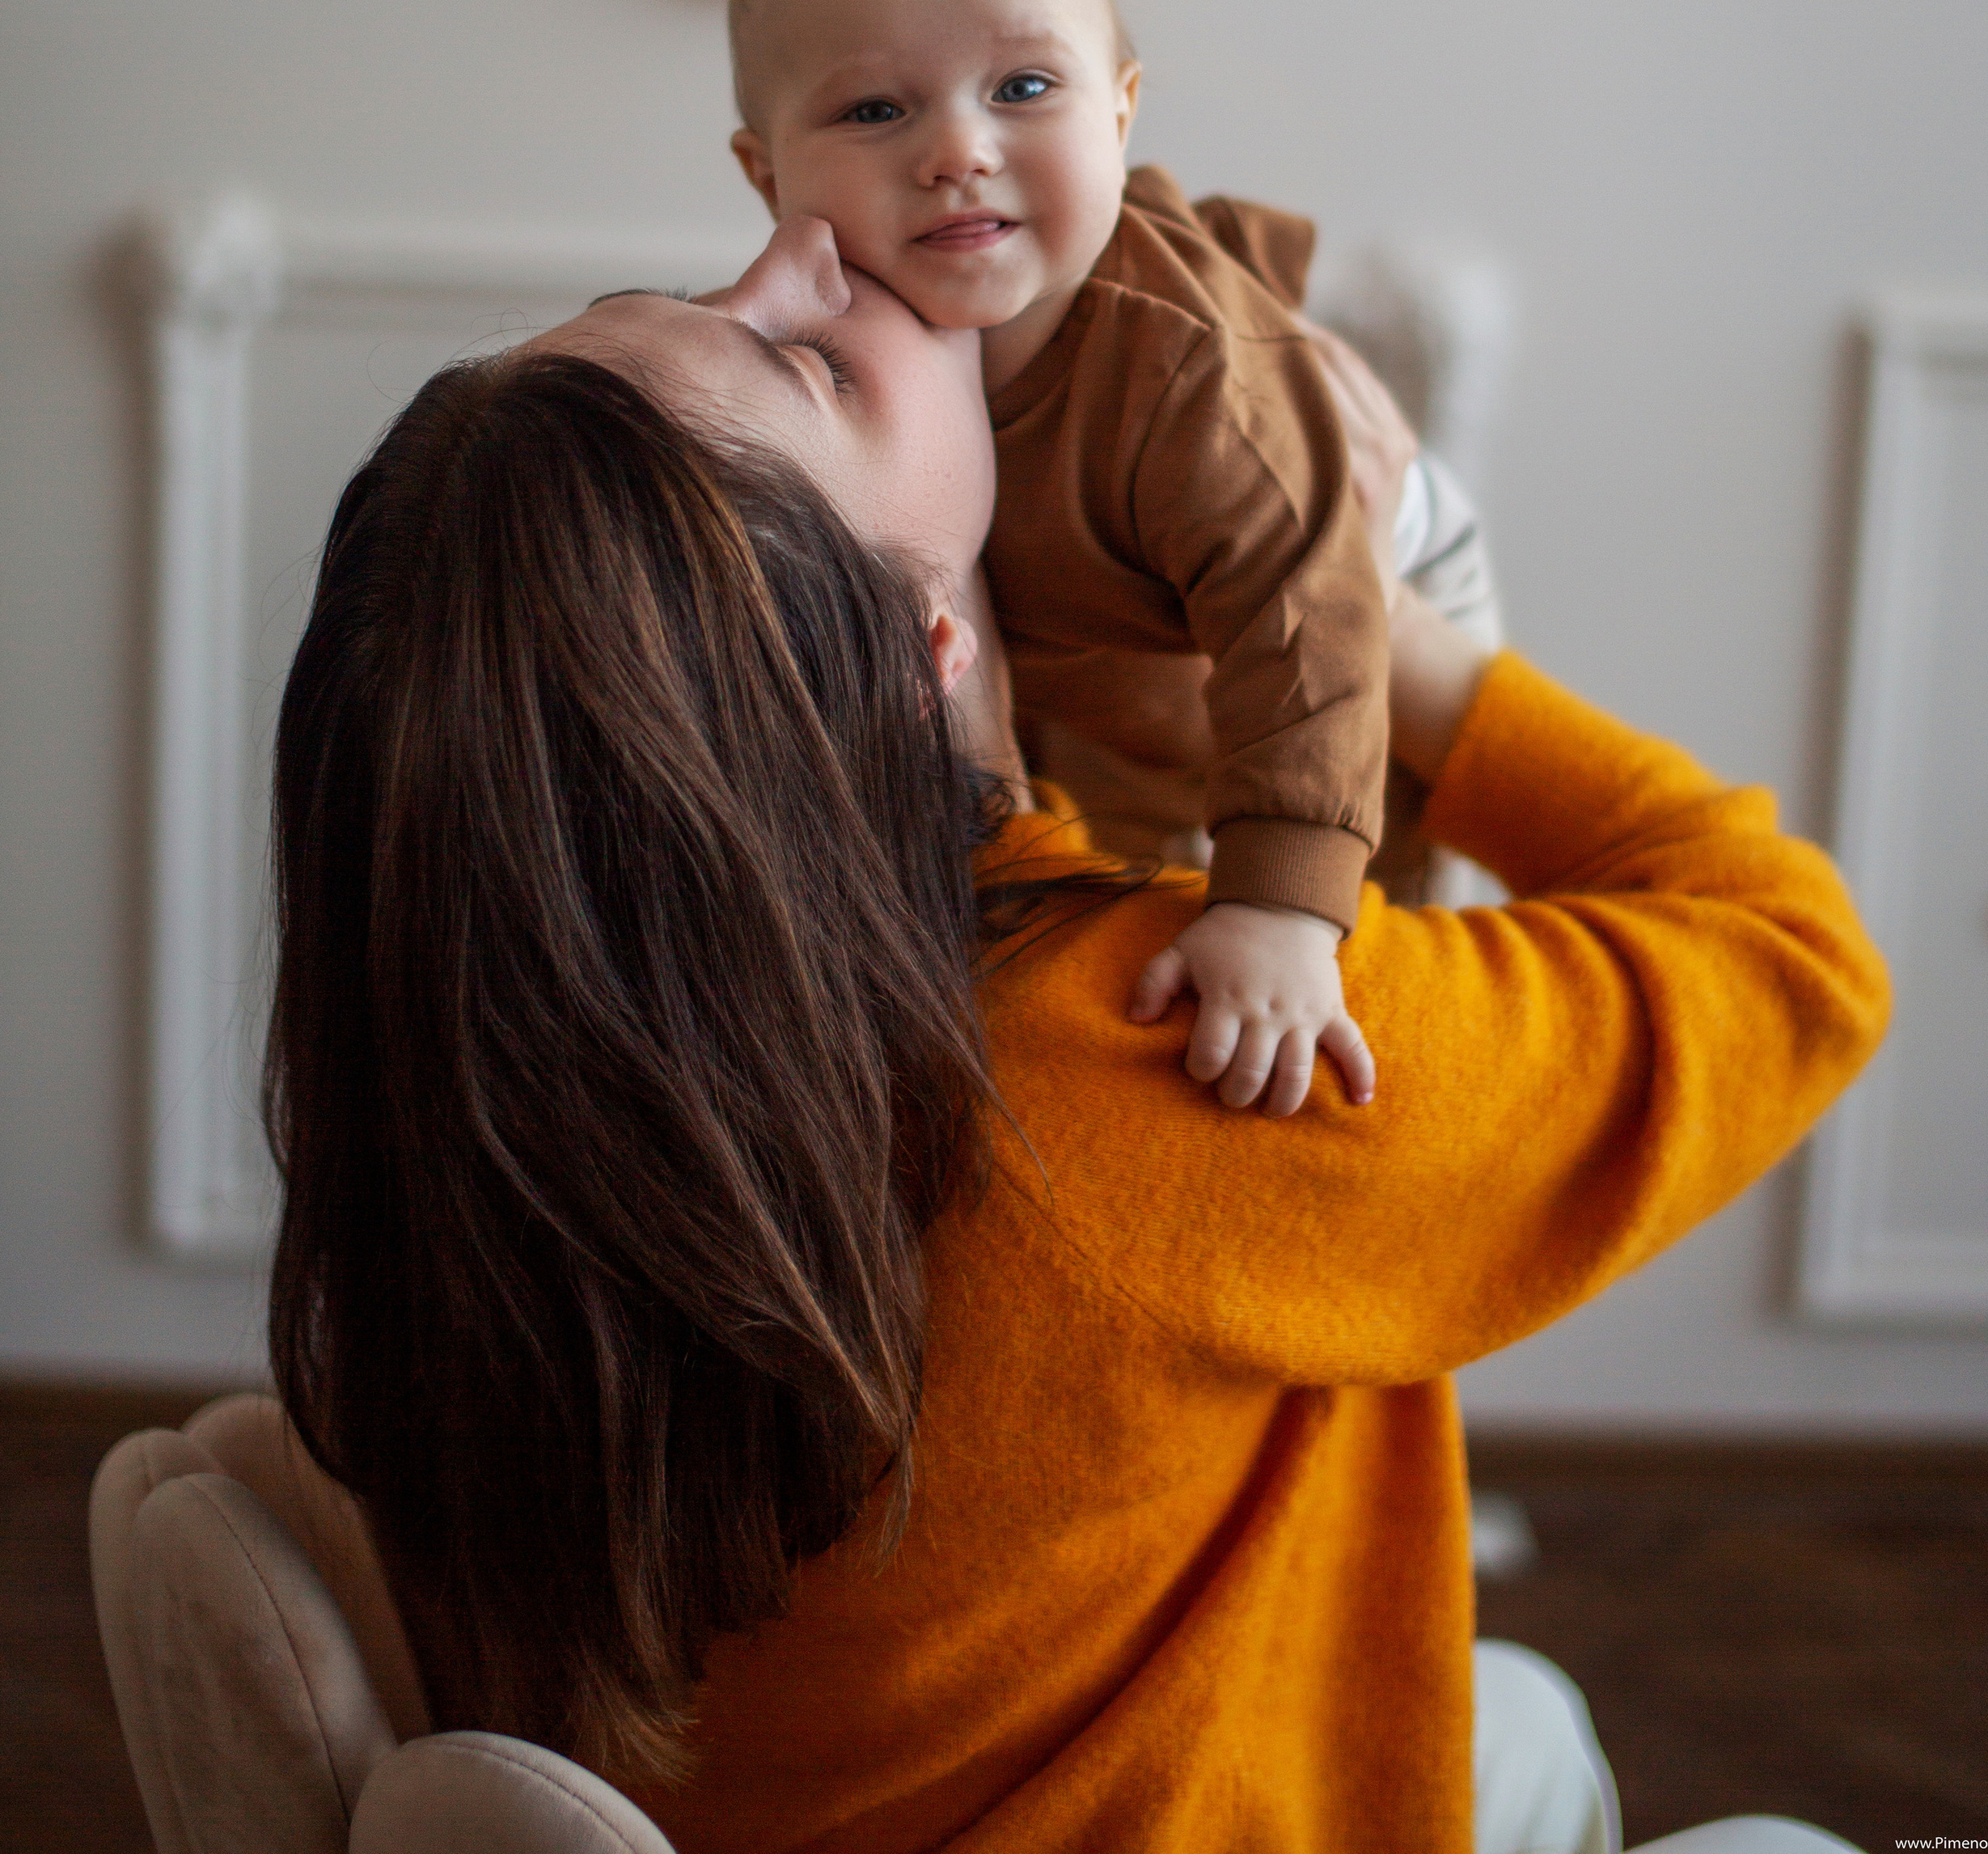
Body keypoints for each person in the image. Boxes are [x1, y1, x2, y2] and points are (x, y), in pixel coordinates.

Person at [264, 219, 1887, 1854]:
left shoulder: (480, 1056)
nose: (802, 246)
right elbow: (1785, 950)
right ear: (917, 649)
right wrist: (1346, 617)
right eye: (814, 368)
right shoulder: (1141, 1050)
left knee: (1517, 1712)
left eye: (687, 299)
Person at [725, 0, 1495, 1115]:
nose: (959, 151)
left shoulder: (1188, 372)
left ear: (1123, 111)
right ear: (766, 172)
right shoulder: (822, 338)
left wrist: (1288, 909)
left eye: (1024, 89)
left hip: (1351, 579)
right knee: (1126, 849)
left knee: (1363, 885)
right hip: (1101, 635)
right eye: (873, 109)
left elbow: (1305, 630)